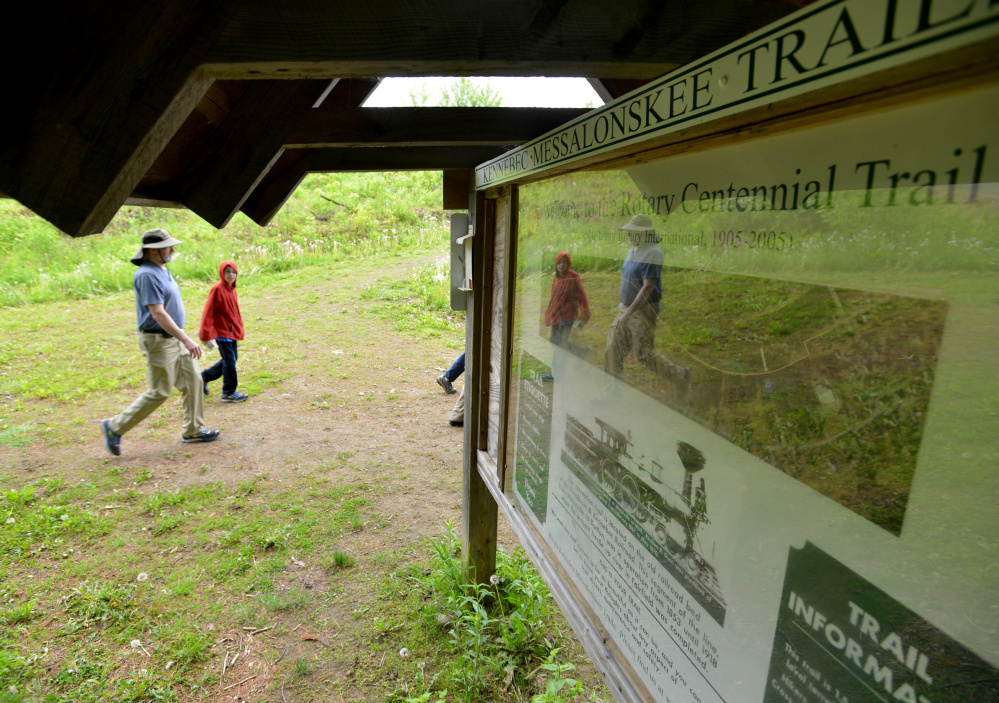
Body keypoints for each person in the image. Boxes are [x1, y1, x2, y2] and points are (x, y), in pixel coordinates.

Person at [100, 229, 220, 455]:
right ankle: (114, 427)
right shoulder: (146, 274)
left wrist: (182, 337)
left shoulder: (162, 269)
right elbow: (157, 313)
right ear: (154, 250)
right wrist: (186, 339)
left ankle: (193, 430)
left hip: (175, 337)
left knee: (193, 380)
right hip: (159, 340)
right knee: (161, 391)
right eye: (168, 246)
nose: (173, 249)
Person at [603, 214, 689, 388]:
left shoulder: (652, 253)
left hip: (644, 310)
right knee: (612, 349)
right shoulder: (632, 250)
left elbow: (648, 286)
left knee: (643, 354)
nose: (628, 234)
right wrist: (624, 309)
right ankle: (610, 394)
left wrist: (628, 313)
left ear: (644, 232)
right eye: (628, 230)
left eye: (632, 231)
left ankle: (680, 375)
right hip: (625, 308)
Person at [200, 260, 248, 403]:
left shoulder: (232, 289)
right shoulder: (217, 289)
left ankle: (203, 377)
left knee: (231, 359)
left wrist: (239, 328)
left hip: (231, 331)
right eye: (227, 272)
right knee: (229, 362)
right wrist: (205, 333)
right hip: (222, 332)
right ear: (222, 273)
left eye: (233, 272)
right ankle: (228, 393)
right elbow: (208, 312)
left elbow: (234, 312)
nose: (231, 275)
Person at [542, 251, 591, 381]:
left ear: (568, 263)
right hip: (556, 315)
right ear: (556, 264)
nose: (562, 265)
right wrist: (550, 311)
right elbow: (554, 297)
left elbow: (581, 296)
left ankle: (556, 373)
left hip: (568, 315)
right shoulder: (556, 277)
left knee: (559, 344)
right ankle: (581, 352)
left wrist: (584, 313)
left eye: (564, 262)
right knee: (554, 341)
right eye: (559, 263)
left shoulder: (573, 276)